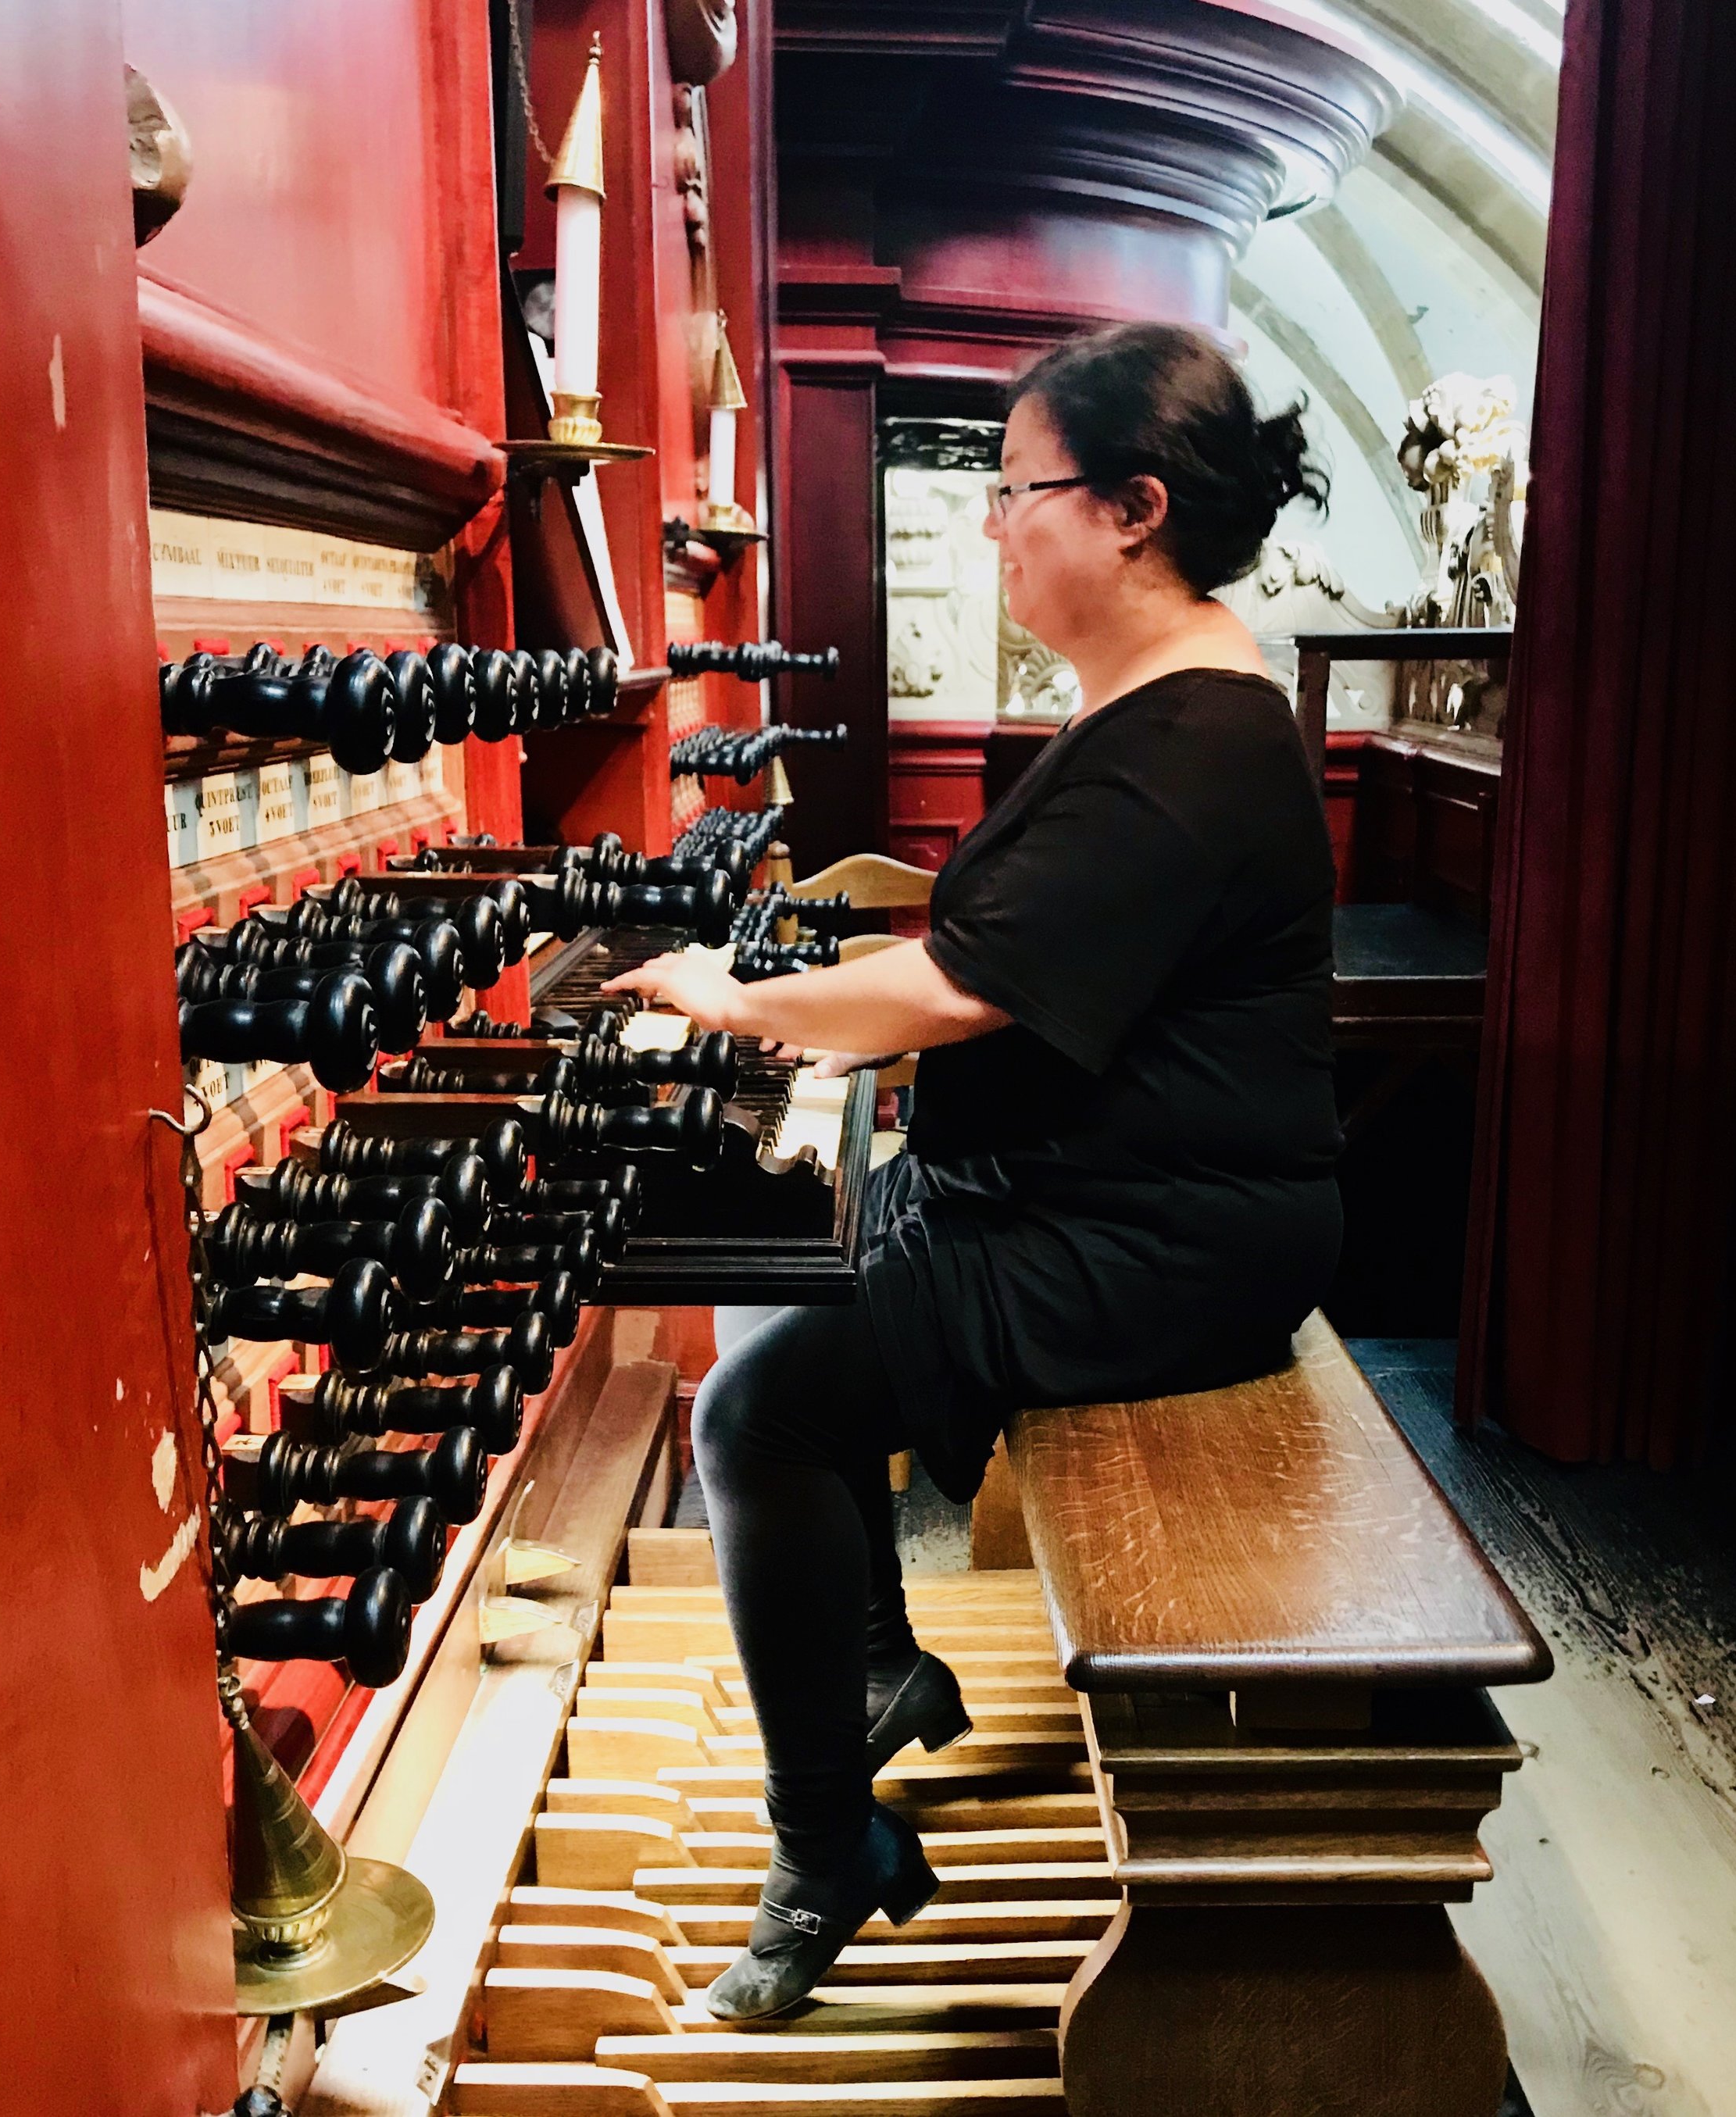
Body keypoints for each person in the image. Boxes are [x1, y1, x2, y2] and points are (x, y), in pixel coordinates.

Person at [603, 319, 1343, 2019]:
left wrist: (746, 997)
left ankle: (826, 1849)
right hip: (1088, 1184)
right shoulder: (1153, 710)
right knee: (773, 1259)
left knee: (754, 1409)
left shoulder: (1194, 740)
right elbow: (994, 954)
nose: (990, 526)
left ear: (1132, 509)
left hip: (1167, 1233)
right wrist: (809, 1015)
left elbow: (961, 984)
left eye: (1016, 492)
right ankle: (866, 1659)